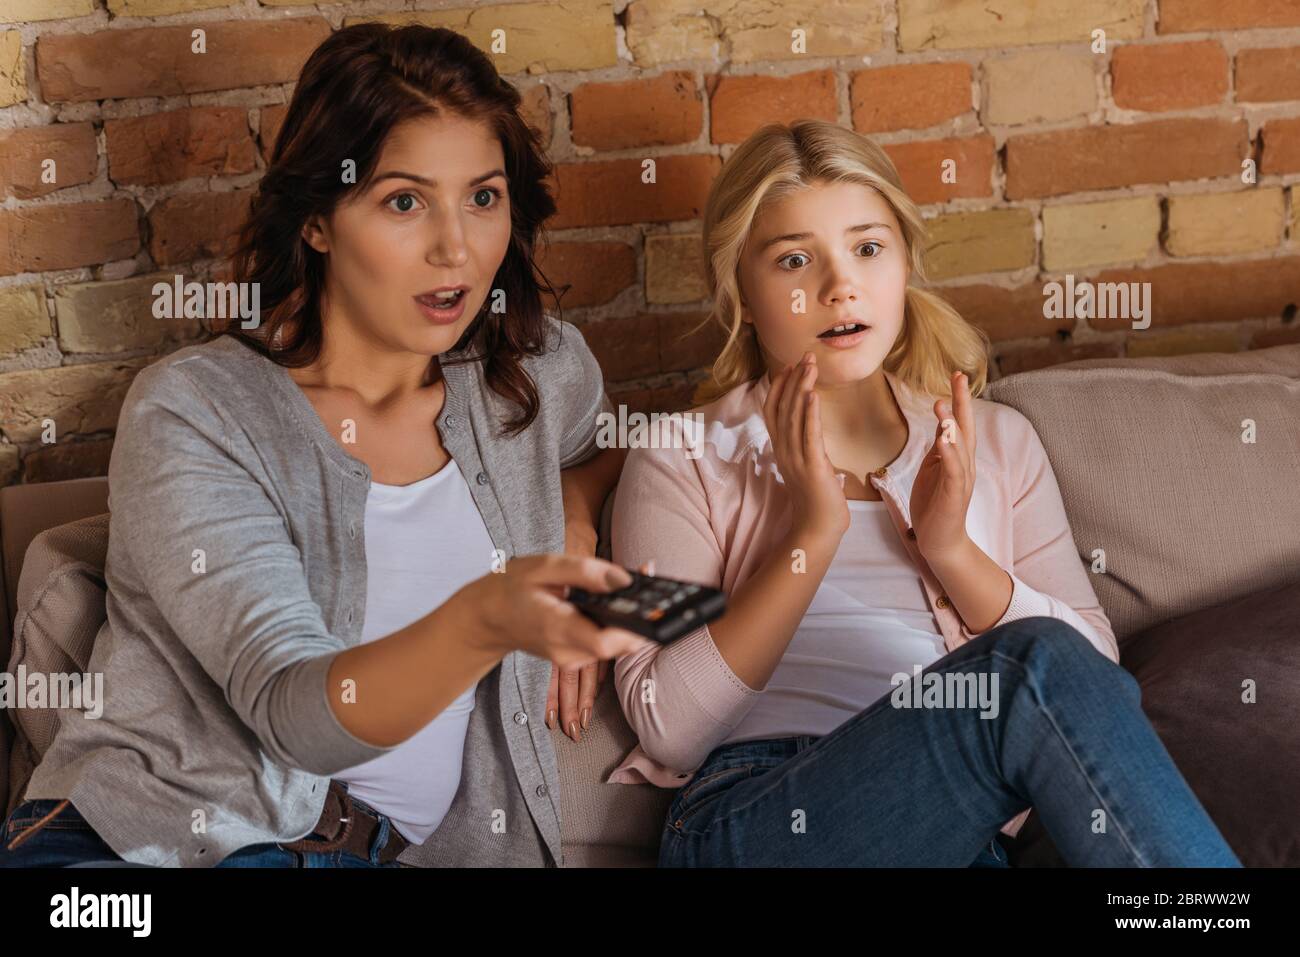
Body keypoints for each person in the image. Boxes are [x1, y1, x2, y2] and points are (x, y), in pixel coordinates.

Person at [0, 23, 651, 869]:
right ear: (316, 219)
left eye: (483, 197)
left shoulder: (533, 372)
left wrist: (575, 512)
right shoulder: (198, 409)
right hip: (148, 845)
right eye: (405, 201)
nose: (456, 247)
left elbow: (613, 444)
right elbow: (291, 711)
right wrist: (486, 618)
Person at [606, 119, 1241, 868]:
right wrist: (812, 534)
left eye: (868, 248)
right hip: (756, 819)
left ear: (904, 263)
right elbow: (668, 727)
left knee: (1036, 672)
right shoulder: (681, 454)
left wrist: (953, 551)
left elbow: (1092, 685)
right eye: (794, 260)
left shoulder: (996, 443)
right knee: (1023, 672)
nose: (840, 285)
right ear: (741, 292)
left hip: (955, 834)